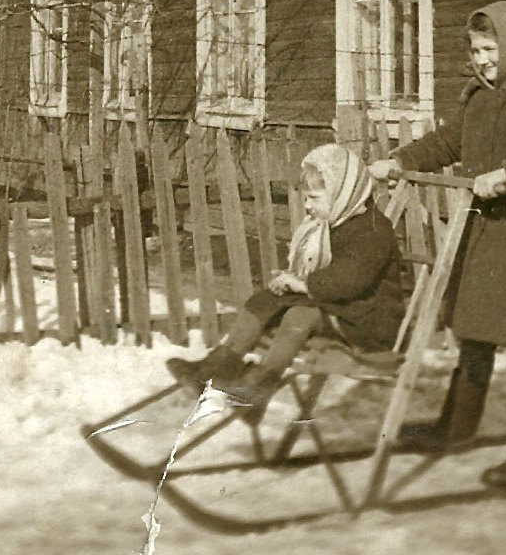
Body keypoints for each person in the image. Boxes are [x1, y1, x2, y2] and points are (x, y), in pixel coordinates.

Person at [369, 1, 506, 489]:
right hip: (483, 239)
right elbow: (449, 142)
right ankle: (455, 430)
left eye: (490, 49)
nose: (482, 59)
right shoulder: (477, 96)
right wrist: (400, 158)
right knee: (474, 337)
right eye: (475, 50)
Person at [167, 143, 405, 419]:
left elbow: (349, 280)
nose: (307, 206)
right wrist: (291, 280)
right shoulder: (336, 224)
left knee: (300, 315)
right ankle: (218, 364)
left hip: (369, 320)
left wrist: (303, 285)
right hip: (342, 305)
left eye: (314, 198)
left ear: (344, 194)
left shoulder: (373, 231)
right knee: (265, 299)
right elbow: (329, 274)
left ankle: (262, 383)